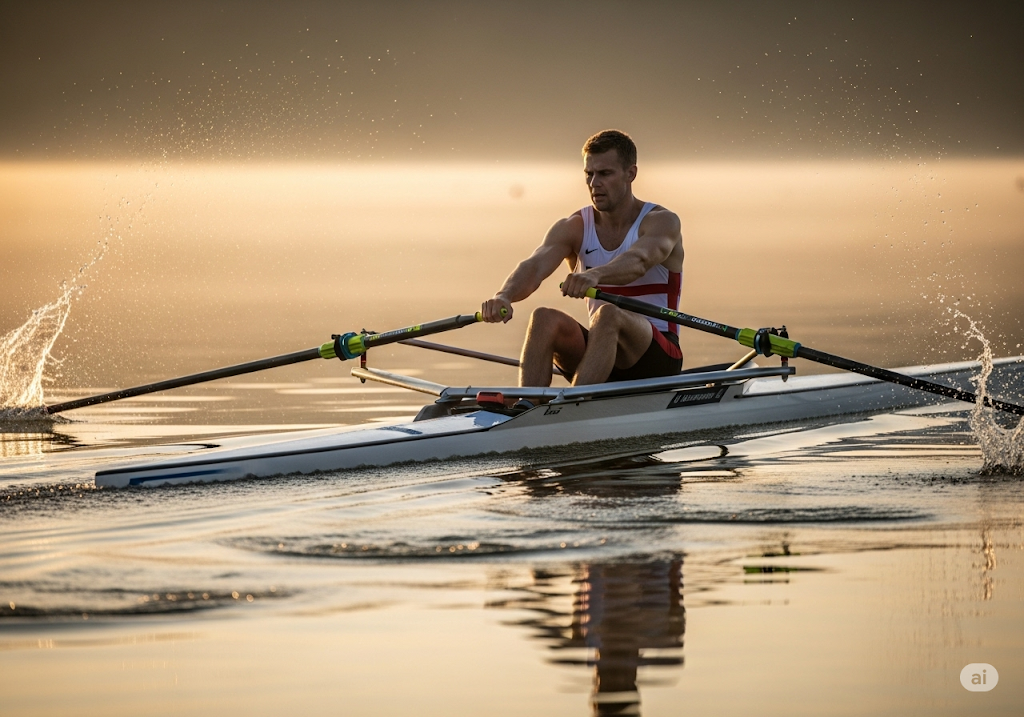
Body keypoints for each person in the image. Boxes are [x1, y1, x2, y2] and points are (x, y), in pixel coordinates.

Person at [481, 130, 684, 386]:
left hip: (657, 358)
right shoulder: (574, 226)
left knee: (609, 314)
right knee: (543, 318)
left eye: (605, 173)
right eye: (589, 174)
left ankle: (575, 401)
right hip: (600, 356)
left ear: (630, 174)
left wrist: (594, 274)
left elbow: (639, 260)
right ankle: (528, 403)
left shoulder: (662, 222)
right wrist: (503, 296)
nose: (594, 183)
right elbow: (534, 266)